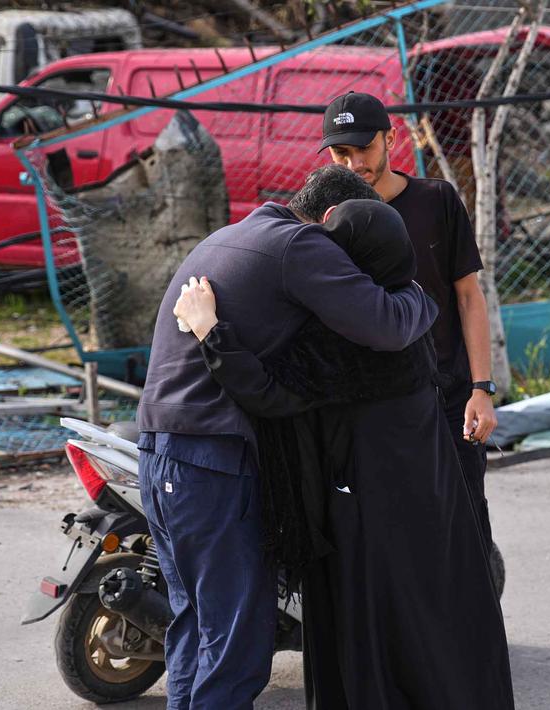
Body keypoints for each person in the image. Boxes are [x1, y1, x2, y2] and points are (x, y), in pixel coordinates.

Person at [172, 199, 514, 710]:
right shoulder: (408, 312)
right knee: (434, 627)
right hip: (431, 506)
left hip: (367, 516)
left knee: (373, 636)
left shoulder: (350, 339)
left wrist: (211, 333)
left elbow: (269, 393)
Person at [136, 164, 439, 710]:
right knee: (236, 643)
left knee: (196, 628)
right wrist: (424, 296)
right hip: (213, 460)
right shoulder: (302, 244)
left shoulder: (233, 233)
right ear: (331, 217)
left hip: (159, 452)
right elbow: (388, 326)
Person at [318, 91, 501, 568]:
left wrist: (481, 389)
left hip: (448, 397)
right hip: (375, 406)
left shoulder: (436, 200)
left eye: (365, 148)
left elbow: (467, 296)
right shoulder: (329, 219)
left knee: (465, 525)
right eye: (342, 153)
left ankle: (476, 636)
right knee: (393, 534)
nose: (355, 162)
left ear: (391, 139)